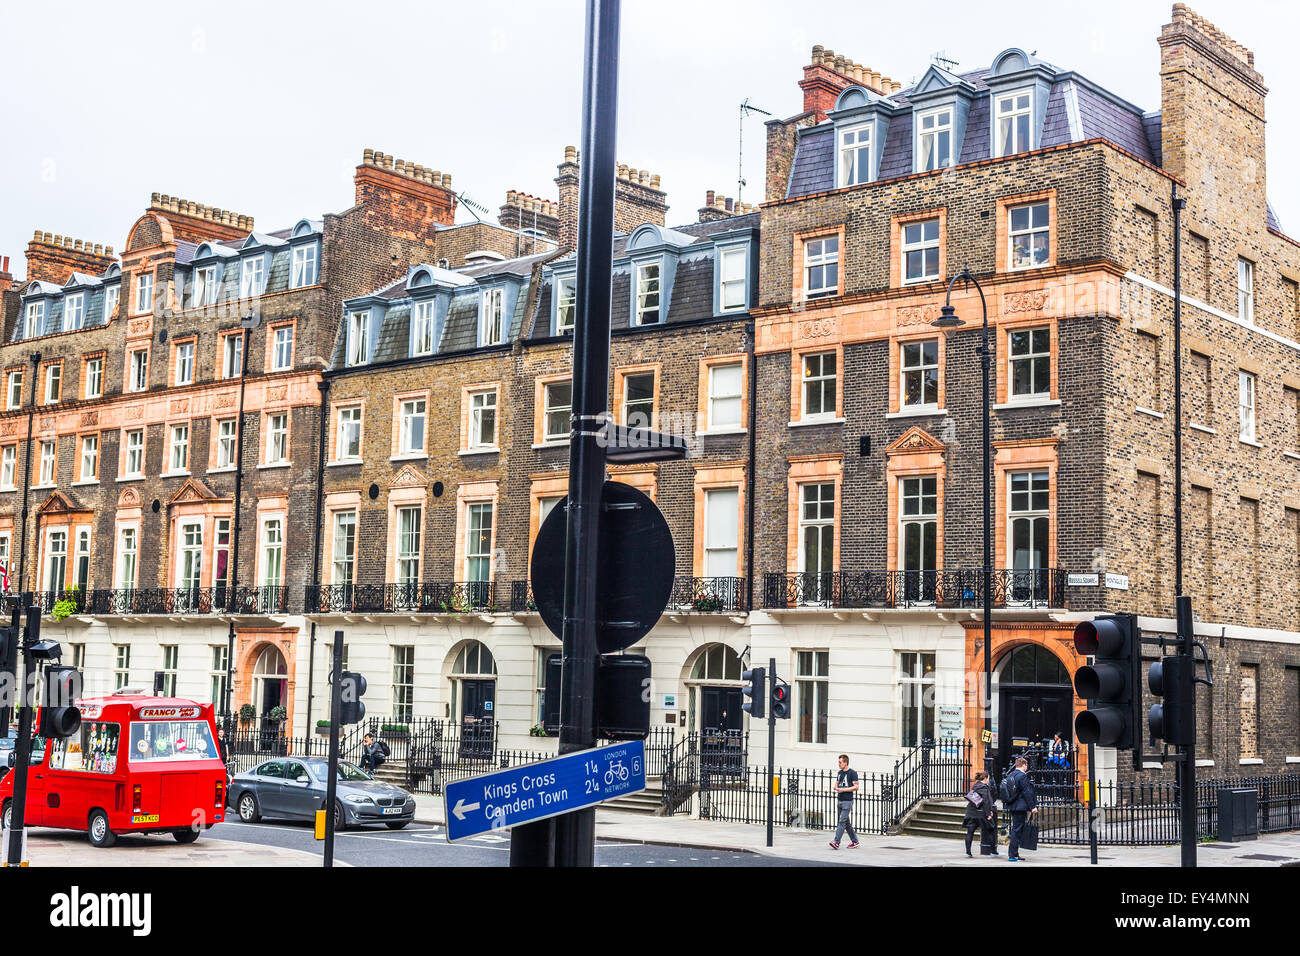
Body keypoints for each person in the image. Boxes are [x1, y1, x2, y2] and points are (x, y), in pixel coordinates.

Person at [1001, 756, 1038, 861]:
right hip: (1020, 807)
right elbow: (1027, 792)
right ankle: (1012, 855)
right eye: (1026, 765)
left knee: (1018, 829)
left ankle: (1015, 853)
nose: (1027, 767)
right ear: (1024, 765)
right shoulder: (1022, 776)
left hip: (1013, 805)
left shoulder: (1011, 774)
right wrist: (1033, 807)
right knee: (1017, 830)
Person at [828, 754, 860, 850]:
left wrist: (844, 790)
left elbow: (856, 787)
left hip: (847, 801)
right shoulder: (840, 773)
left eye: (840, 762)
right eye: (839, 762)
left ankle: (836, 842)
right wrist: (836, 787)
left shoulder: (852, 773)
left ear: (845, 763)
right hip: (840, 800)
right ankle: (855, 841)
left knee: (841, 822)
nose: (839, 764)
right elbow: (837, 784)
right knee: (846, 823)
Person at [963, 771, 997, 857]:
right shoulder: (984, 788)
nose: (988, 780)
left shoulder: (975, 786)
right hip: (981, 813)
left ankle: (968, 852)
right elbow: (986, 802)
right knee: (991, 830)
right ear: (985, 778)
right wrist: (988, 814)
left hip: (971, 812)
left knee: (970, 831)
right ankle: (993, 850)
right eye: (988, 778)